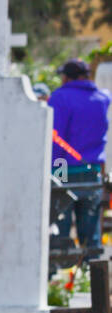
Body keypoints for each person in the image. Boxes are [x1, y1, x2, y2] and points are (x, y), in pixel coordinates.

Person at [49, 59, 110, 256]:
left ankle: (57, 276)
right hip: (91, 169)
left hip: (62, 167)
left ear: (67, 77)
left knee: (60, 226)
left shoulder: (59, 98)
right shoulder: (102, 98)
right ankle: (93, 274)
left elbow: (55, 138)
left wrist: (53, 170)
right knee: (91, 230)